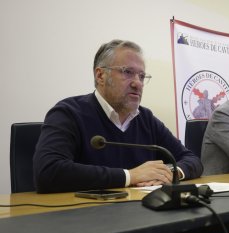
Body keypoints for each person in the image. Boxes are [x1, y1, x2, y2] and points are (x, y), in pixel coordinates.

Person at [33, 39, 203, 193]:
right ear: (100, 76)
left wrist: (170, 173)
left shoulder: (146, 119)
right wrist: (130, 176)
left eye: (142, 76)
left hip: (143, 214)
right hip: (85, 219)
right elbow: (48, 171)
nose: (137, 83)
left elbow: (192, 159)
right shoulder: (68, 112)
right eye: (127, 72)